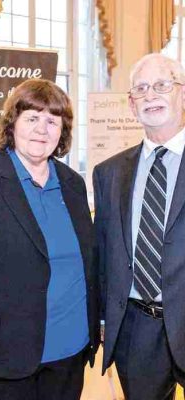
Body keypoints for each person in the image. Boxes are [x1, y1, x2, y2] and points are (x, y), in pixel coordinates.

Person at [0, 78, 100, 400]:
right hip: (3, 356)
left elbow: (88, 262)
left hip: (69, 351)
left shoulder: (72, 184)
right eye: (32, 118)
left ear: (63, 131)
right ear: (13, 124)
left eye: (52, 121)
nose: (42, 129)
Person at [93, 53, 185, 400]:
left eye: (162, 86)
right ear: (131, 105)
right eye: (141, 89)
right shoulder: (109, 173)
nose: (151, 96)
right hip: (138, 327)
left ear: (183, 94)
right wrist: (102, 319)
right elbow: (102, 254)